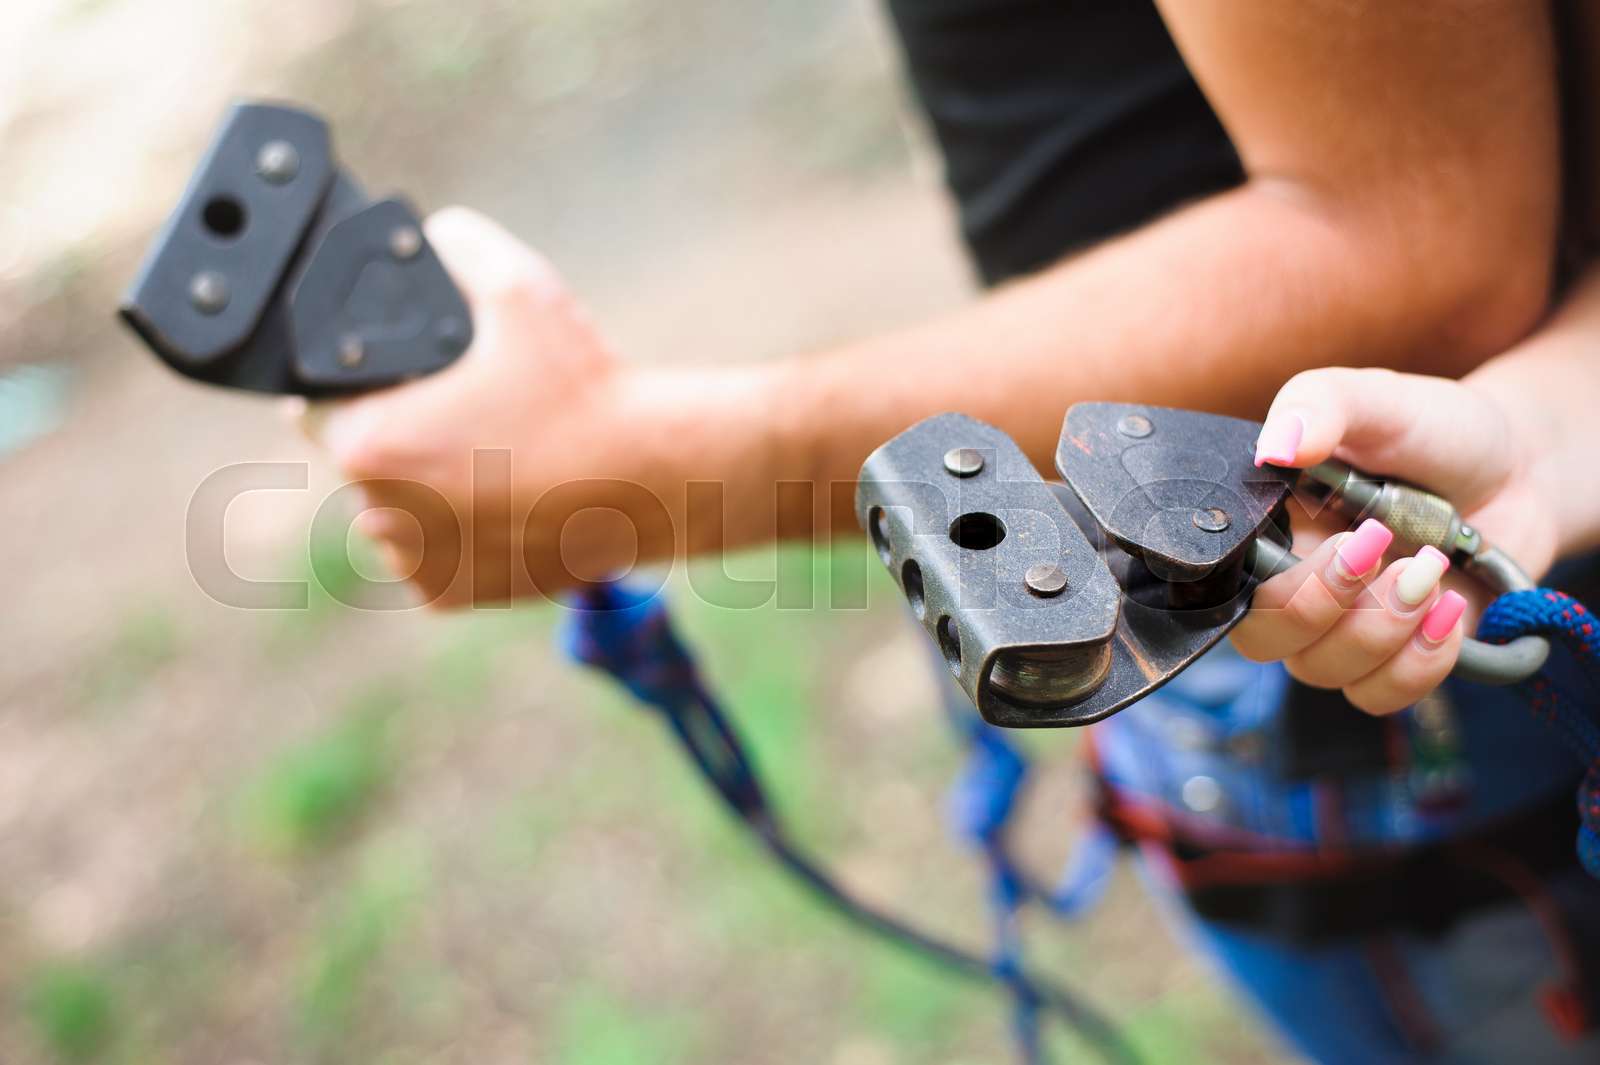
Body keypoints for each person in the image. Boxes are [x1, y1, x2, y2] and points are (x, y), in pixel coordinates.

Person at [299, 1, 1600, 1060]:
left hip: (1380, 712)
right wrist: (1542, 427)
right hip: (1290, 563)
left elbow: (1410, 236)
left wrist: (651, 465)